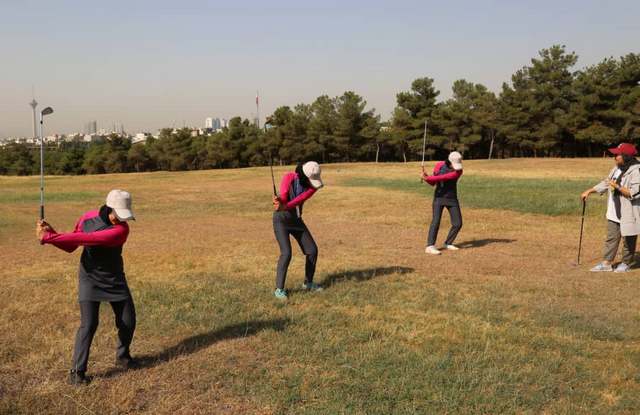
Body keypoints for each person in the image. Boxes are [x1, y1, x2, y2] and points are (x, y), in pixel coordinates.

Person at [36, 189, 138, 385]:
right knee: (89, 324)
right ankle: (77, 373)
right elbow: (72, 244)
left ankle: (123, 357)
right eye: (118, 214)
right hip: (89, 278)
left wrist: (48, 238)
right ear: (109, 208)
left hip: (114, 278)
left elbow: (89, 239)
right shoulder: (87, 218)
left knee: (128, 320)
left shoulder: (121, 230)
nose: (121, 219)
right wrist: (52, 233)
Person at [581, 143, 640, 272]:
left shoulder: (636, 171)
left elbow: (634, 192)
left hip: (629, 212)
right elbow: (606, 183)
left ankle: (626, 263)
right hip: (614, 211)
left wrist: (617, 186)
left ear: (626, 156)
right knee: (611, 238)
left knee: (629, 239)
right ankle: (606, 263)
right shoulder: (616, 168)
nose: (615, 157)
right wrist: (590, 191)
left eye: (617, 154)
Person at [272, 161, 324, 300]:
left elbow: (299, 199)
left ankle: (308, 283)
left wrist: (285, 205)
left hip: (296, 220)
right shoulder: (289, 177)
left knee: (312, 250)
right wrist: (279, 201)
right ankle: (279, 289)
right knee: (286, 253)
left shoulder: (312, 187)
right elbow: (283, 194)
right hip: (281, 221)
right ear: (303, 176)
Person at [422, 151, 464, 255]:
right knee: (436, 222)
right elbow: (433, 183)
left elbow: (443, 178)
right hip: (439, 198)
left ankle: (448, 242)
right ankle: (430, 246)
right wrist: (426, 177)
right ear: (449, 161)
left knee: (458, 223)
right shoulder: (439, 165)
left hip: (452, 199)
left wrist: (428, 177)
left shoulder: (458, 171)